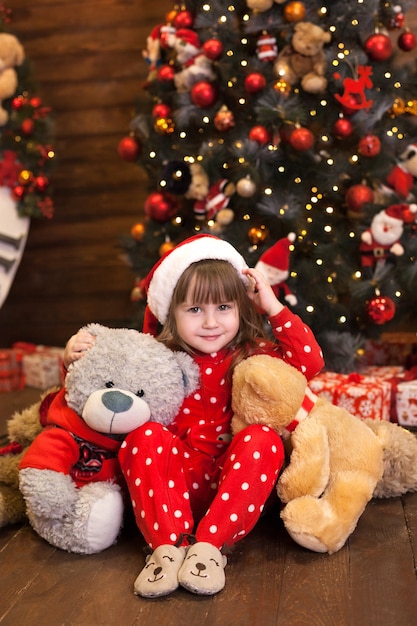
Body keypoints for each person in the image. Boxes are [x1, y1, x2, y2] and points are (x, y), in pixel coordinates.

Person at [64, 234, 324, 599]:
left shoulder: (250, 353)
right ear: (171, 312)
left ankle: (208, 550)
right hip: (171, 486)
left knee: (263, 438)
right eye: (195, 310)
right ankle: (167, 551)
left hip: (231, 485)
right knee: (144, 436)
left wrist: (273, 307)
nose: (210, 322)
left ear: (240, 308)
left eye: (223, 308)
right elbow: (99, 389)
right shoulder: (155, 356)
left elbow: (309, 363)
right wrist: (73, 357)